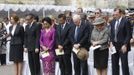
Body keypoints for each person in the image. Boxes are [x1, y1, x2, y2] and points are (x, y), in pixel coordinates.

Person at [110, 8, 131, 75]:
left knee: (124, 65)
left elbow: (129, 35)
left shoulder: (126, 21)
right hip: (114, 46)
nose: (115, 16)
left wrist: (125, 45)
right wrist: (110, 42)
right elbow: (112, 34)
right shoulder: (113, 21)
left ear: (120, 14)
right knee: (114, 65)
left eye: (116, 14)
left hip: (123, 46)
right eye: (114, 14)